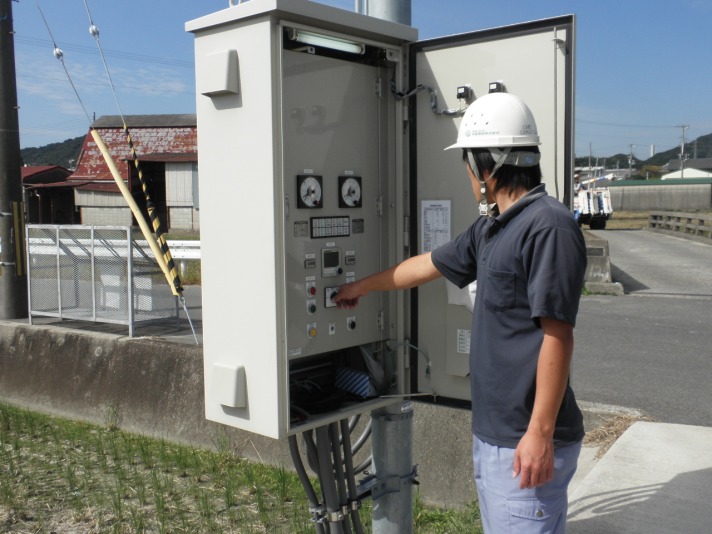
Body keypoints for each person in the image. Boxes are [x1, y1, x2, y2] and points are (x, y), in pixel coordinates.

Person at [334, 92, 587, 533]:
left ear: (486, 169)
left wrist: (540, 434)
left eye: (468, 165)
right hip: (497, 436)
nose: (468, 177)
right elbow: (428, 264)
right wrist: (360, 286)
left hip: (524, 440)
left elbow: (557, 335)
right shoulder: (493, 227)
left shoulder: (548, 225)